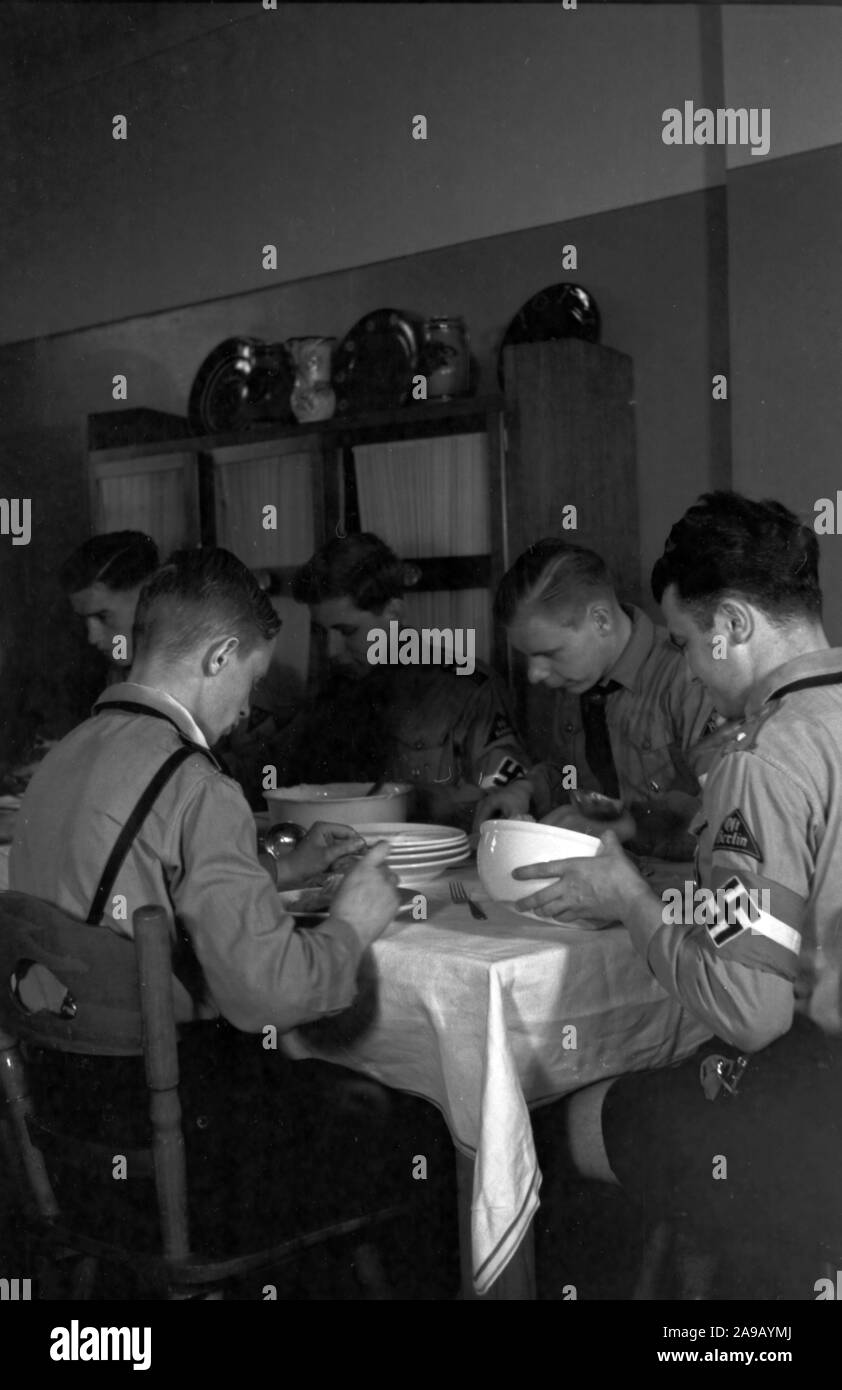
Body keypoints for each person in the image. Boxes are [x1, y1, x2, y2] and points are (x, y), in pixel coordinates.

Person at [10, 546, 455, 1288]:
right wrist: (353, 921)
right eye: (249, 679)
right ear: (218, 658)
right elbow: (268, 997)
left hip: (62, 1120)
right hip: (179, 1142)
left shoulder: (66, 756)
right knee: (418, 1122)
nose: (248, 709)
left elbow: (131, 876)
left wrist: (281, 867)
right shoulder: (198, 784)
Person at [518, 494, 842, 1289]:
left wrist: (627, 895)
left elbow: (752, 1012)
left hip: (817, 1098)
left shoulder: (758, 760)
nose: (689, 664)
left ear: (731, 625)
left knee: (540, 1133)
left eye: (686, 641)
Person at [244, 532, 529, 829]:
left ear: (393, 612)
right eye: (323, 633)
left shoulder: (468, 687)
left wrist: (417, 802)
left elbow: (506, 801)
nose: (333, 649)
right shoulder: (333, 687)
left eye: (347, 631)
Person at [474, 539, 717, 858]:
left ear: (600, 620)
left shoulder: (689, 676)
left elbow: (723, 816)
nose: (535, 674)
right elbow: (570, 774)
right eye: (528, 657)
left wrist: (631, 826)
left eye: (548, 653)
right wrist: (528, 790)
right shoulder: (576, 679)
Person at [59, 530, 160, 679]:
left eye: (103, 616)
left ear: (149, 596)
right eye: (84, 620)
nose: (92, 638)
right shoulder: (115, 676)